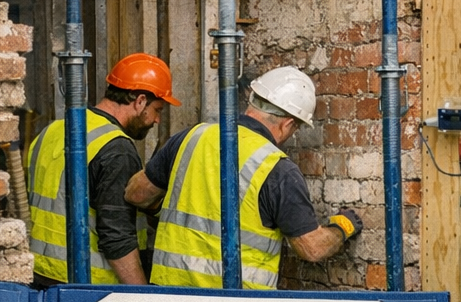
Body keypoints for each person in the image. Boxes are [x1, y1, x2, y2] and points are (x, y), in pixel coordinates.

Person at [125, 65, 361, 289]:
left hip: (171, 295)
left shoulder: (191, 137)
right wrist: (344, 226)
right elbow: (312, 248)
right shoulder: (277, 169)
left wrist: (166, 208)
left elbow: (136, 194)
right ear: (288, 123)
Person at [26, 53, 178, 286]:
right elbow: (116, 237)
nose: (157, 120)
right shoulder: (116, 149)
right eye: (157, 110)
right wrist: (142, 296)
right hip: (87, 285)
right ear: (139, 101)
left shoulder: (54, 130)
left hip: (37, 276)